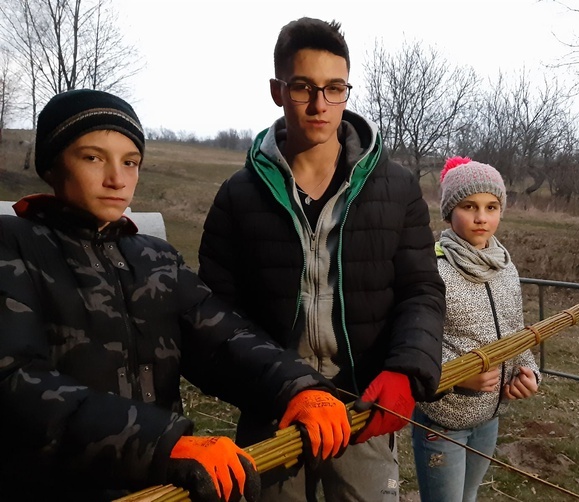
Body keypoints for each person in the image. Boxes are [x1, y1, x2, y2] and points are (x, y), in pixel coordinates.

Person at [0, 88, 351, 502]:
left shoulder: (154, 257)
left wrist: (299, 388)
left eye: (130, 162)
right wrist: (165, 445)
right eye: (93, 157)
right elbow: (16, 382)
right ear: (52, 165)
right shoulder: (13, 247)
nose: (117, 178)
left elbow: (223, 340)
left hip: (163, 490)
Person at [197, 16, 446, 502]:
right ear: (276, 90)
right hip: (275, 413)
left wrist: (407, 370)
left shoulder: (395, 188)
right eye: (303, 88)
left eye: (335, 89)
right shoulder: (238, 196)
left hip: (362, 405)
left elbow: (422, 289)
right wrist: (278, 386)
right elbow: (216, 315)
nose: (319, 105)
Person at [411, 156, 541, 502]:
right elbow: (415, 342)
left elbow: (516, 334)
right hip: (444, 420)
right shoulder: (432, 269)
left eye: (492, 206)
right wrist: (456, 375)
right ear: (450, 210)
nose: (482, 217)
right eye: (469, 205)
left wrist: (529, 371)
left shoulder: (505, 267)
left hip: (490, 418)